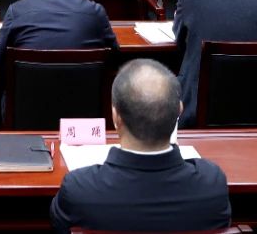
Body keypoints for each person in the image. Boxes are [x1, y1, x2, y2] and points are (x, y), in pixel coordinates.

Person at [50, 59, 231, 233]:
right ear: (179, 110)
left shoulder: (79, 189)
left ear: (116, 116)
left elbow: (59, 225)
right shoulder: (212, 184)